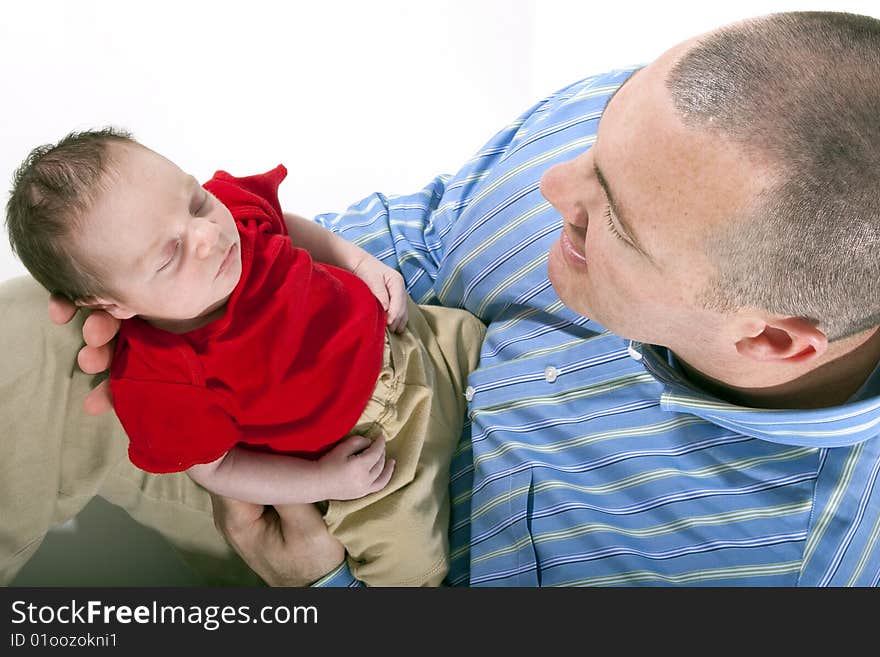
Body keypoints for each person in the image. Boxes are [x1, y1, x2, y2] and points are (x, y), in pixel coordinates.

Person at [3, 10, 879, 587]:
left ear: (771, 342)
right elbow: (425, 229)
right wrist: (166, 289)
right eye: (600, 139)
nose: (551, 184)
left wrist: (320, 584)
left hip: (355, 529)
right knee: (26, 341)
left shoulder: (792, 564)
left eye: (603, 217)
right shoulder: (658, 131)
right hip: (320, 397)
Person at [6, 133, 485, 587]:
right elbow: (217, 469)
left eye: (195, 202)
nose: (208, 234)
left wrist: (359, 263)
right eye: (171, 255)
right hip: (367, 459)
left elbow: (286, 225)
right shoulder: (161, 377)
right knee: (409, 568)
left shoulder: (229, 217)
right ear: (116, 306)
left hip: (421, 342)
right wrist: (321, 479)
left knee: (492, 345)